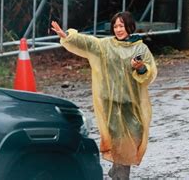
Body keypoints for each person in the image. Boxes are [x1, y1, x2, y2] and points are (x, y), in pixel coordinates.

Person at [51, 11, 157, 180]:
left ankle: (117, 171)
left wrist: (140, 68)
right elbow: (89, 43)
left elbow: (150, 74)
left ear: (129, 26)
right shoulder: (106, 45)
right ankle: (121, 177)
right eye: (115, 26)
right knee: (119, 143)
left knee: (132, 140)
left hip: (132, 104)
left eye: (121, 25)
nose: (118, 29)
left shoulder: (140, 48)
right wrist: (68, 37)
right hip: (111, 103)